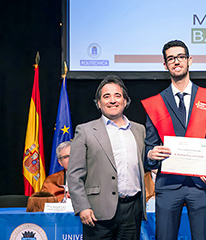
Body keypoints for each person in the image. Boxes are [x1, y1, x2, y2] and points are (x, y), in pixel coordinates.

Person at [141, 40, 206, 240]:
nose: (176, 61)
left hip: (201, 184)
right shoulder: (156, 103)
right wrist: (150, 154)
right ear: (165, 65)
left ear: (189, 60)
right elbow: (149, 147)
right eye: (171, 58)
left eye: (180, 57)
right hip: (168, 185)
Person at [67, 75, 146, 240]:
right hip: (97, 212)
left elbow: (145, 164)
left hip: (132, 211)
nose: (112, 100)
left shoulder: (139, 131)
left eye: (117, 95)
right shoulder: (85, 131)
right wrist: (82, 207)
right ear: (98, 103)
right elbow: (74, 175)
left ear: (125, 101)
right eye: (106, 96)